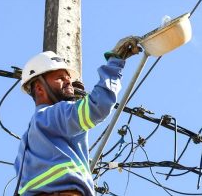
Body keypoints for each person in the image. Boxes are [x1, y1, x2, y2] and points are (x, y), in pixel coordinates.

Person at [14, 36, 142, 196]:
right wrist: (115, 62)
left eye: (69, 78)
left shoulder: (26, 143)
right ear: (39, 88)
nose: (69, 82)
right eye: (60, 78)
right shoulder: (54, 115)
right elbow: (98, 105)